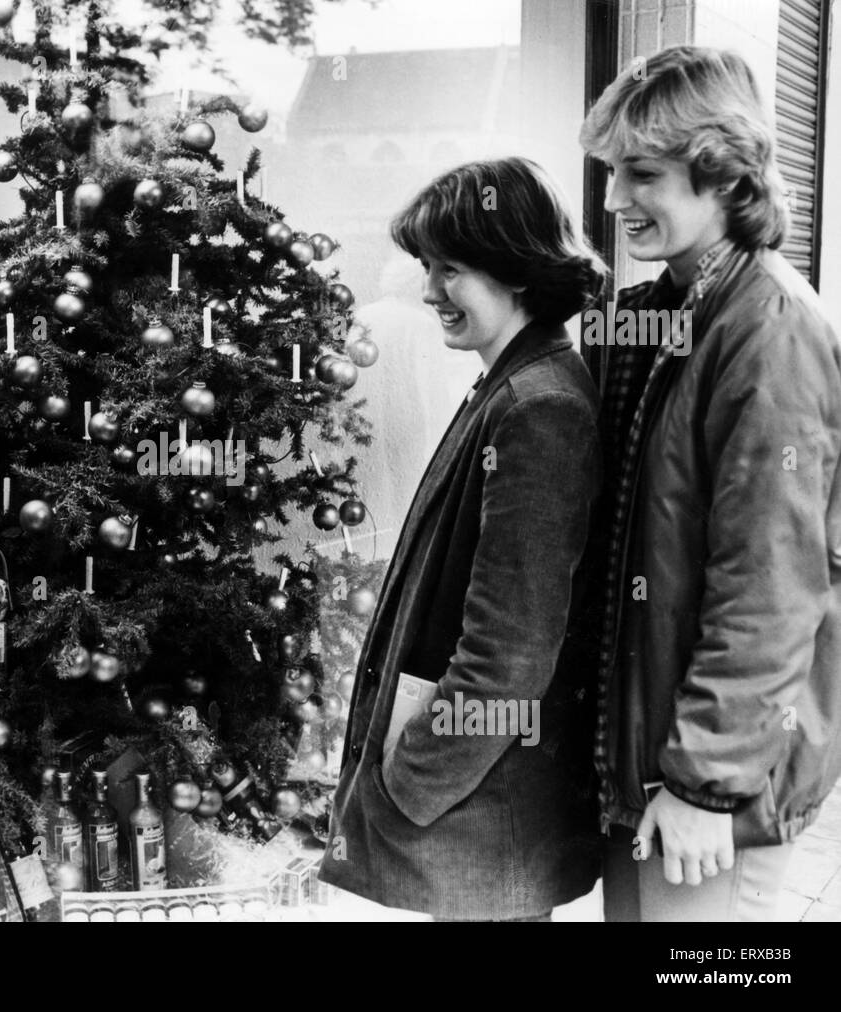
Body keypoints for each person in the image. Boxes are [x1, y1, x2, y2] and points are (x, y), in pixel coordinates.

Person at [579, 45, 841, 921]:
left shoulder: (767, 326)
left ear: (725, 174)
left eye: (641, 173)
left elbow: (770, 586)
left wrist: (705, 785)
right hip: (655, 763)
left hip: (709, 786)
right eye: (613, 172)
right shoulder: (676, 308)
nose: (616, 200)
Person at [317, 157, 606, 920]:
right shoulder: (514, 382)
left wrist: (408, 781)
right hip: (480, 822)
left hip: (484, 823)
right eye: (427, 268)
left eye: (451, 270)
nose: (430, 291)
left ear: (516, 270)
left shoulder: (538, 406)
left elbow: (508, 656)